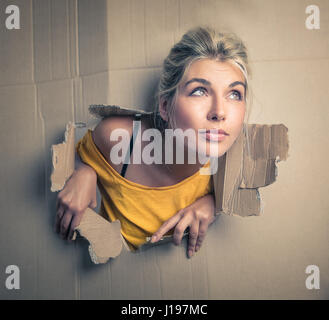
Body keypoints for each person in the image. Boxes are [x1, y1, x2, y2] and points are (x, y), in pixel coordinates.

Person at [55, 26, 250, 258]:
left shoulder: (233, 162)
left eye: (235, 94)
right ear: (165, 106)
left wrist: (213, 204)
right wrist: (84, 171)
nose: (219, 112)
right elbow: (76, 157)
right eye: (199, 91)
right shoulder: (120, 139)